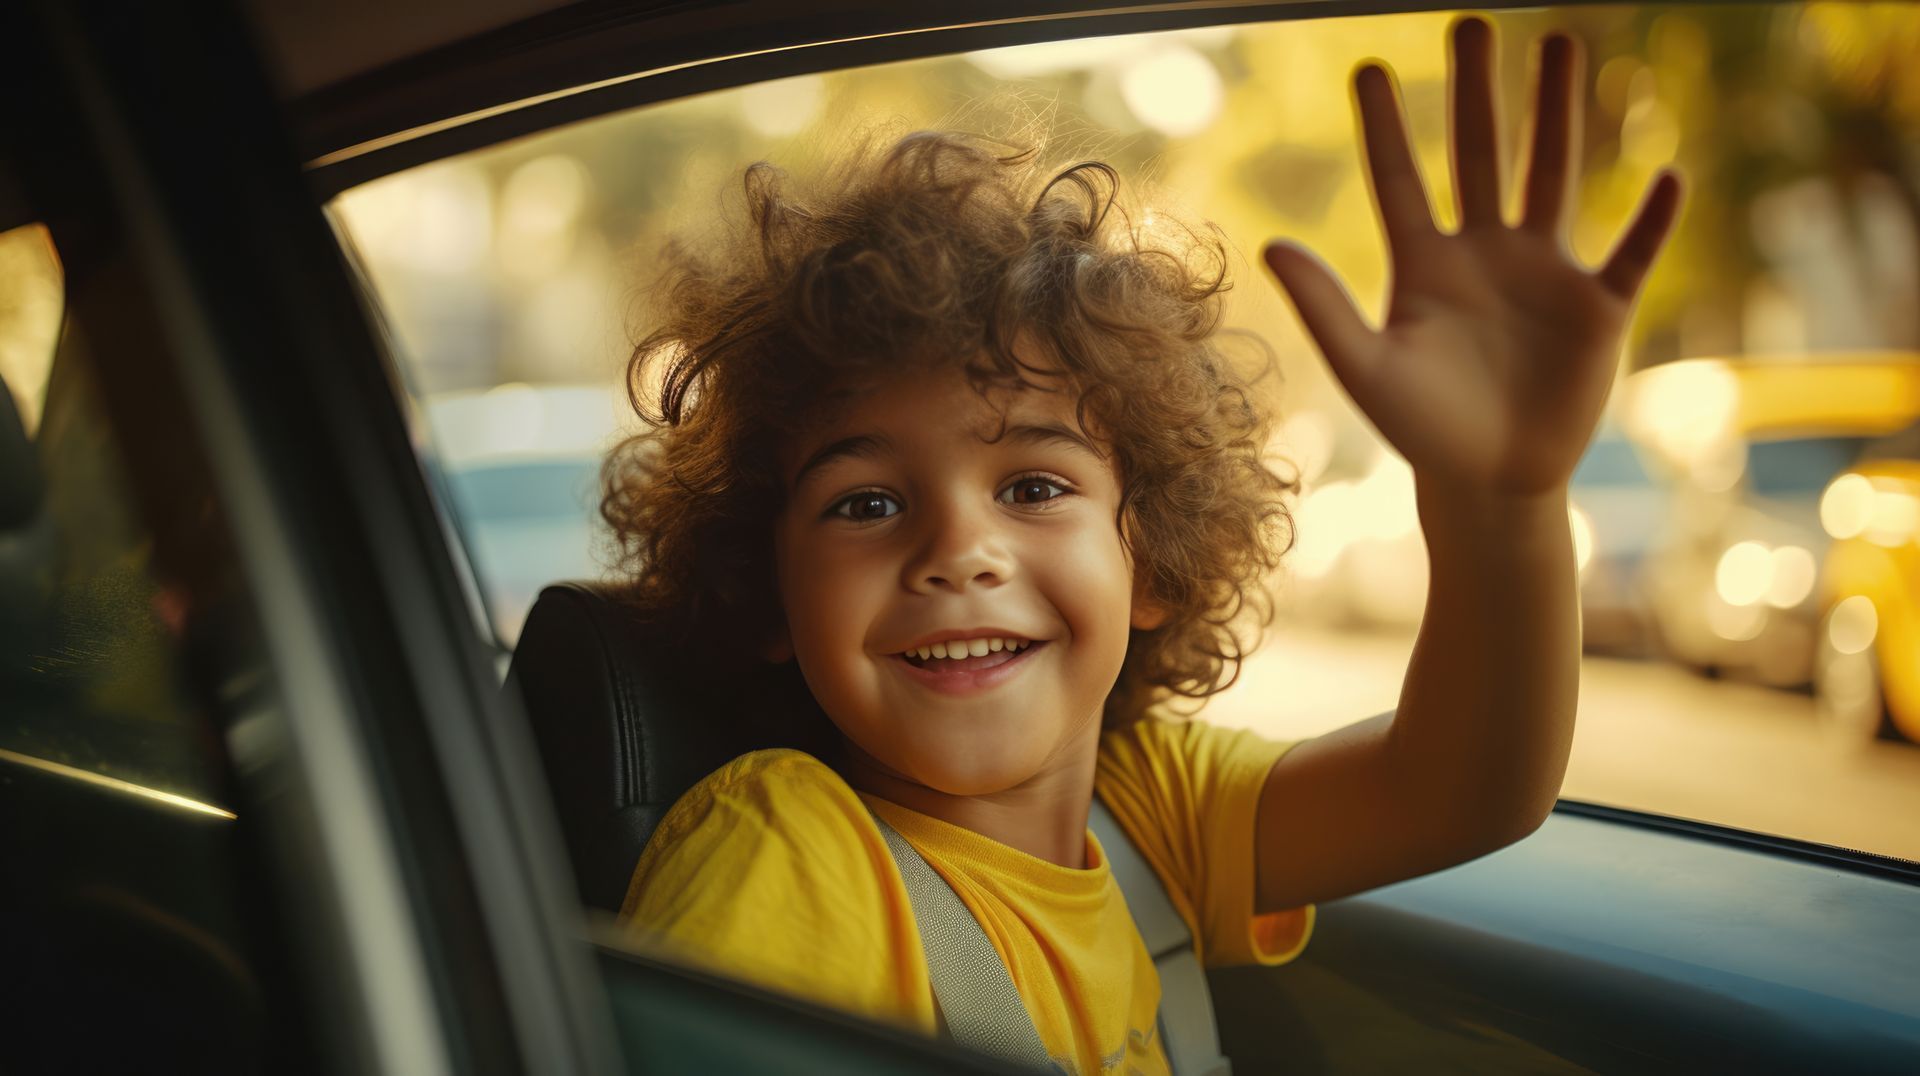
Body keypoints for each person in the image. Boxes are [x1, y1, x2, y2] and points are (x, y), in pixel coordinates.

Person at [607, 16, 1681, 1075]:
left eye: (1032, 485)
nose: (959, 550)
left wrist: (1499, 501)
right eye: (866, 503)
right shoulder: (785, 852)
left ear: (1153, 560)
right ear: (765, 589)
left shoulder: (1150, 809)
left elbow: (1465, 789)